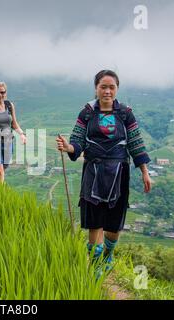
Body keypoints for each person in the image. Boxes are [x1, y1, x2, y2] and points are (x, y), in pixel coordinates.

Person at [56, 70, 152, 277]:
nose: (107, 91)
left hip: (119, 172)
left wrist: (145, 172)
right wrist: (68, 147)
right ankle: (96, 268)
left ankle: (108, 254)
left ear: (117, 89)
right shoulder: (87, 113)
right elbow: (77, 142)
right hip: (93, 171)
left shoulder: (126, 114)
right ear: (96, 88)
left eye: (111, 87)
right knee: (95, 220)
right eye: (103, 87)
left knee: (114, 225)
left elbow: (136, 143)